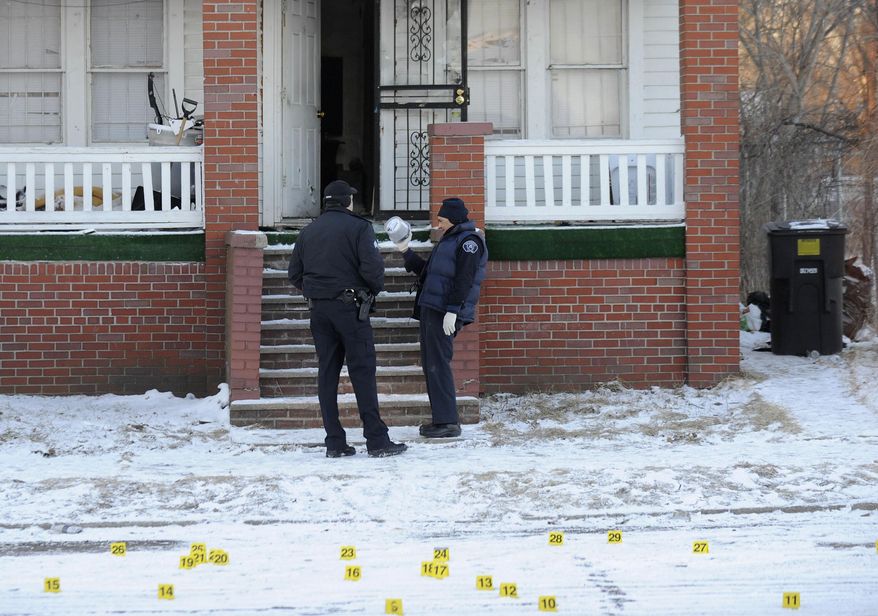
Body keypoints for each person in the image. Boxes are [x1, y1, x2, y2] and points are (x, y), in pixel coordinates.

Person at [288, 180, 407, 458]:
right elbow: (373, 270)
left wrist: (317, 292)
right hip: (350, 309)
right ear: (346, 202)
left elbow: (294, 274)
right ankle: (377, 440)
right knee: (362, 372)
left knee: (327, 373)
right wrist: (371, 290)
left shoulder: (308, 232)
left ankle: (334, 442)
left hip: (319, 310)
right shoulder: (359, 227)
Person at [393, 197, 488, 438]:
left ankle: (448, 422)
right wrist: (406, 251)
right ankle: (442, 419)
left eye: (442, 220)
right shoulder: (450, 239)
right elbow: (429, 274)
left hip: (444, 311)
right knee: (431, 364)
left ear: (454, 219)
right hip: (432, 308)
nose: (439, 225)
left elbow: (464, 279)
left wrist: (453, 310)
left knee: (438, 364)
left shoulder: (470, 242)